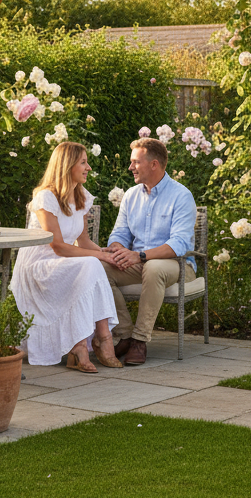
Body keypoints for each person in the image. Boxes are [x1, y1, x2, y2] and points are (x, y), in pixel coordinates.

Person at [11, 141, 123, 372]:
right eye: (83, 162)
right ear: (67, 165)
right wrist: (99, 257)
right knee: (92, 263)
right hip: (38, 265)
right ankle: (101, 341)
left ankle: (83, 345)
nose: (88, 168)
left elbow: (83, 242)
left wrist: (105, 252)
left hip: (62, 261)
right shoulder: (46, 198)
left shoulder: (80, 196)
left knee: (93, 263)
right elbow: (59, 246)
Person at [102, 137, 197, 366]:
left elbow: (179, 244)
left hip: (177, 265)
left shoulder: (181, 196)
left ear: (154, 164)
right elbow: (119, 234)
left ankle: (139, 340)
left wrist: (140, 255)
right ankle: (124, 334)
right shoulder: (131, 196)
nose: (130, 167)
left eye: (135, 162)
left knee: (153, 267)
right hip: (140, 263)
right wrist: (117, 250)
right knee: (100, 268)